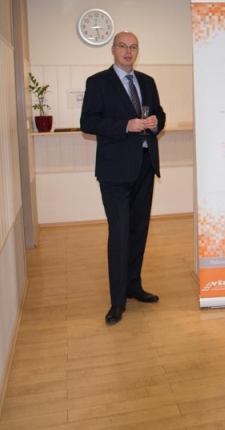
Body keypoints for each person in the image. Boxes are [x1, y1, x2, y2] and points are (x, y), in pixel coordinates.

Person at [80, 31, 166, 325]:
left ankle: (133, 286)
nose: (128, 51)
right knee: (119, 233)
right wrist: (125, 125)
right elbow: (88, 122)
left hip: (145, 166)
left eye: (133, 47)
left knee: (138, 231)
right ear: (113, 50)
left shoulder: (147, 82)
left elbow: (160, 114)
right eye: (122, 46)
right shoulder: (98, 82)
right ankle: (117, 302)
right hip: (115, 171)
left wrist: (155, 122)